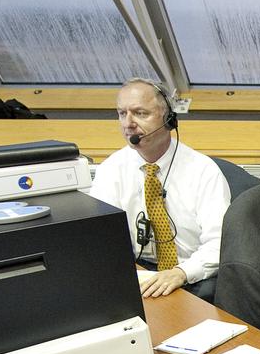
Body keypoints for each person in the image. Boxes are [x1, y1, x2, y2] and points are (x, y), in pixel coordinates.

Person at [90, 79, 229, 300]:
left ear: (168, 119)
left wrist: (181, 273)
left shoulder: (203, 171)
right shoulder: (111, 169)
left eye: (140, 113)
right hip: (140, 273)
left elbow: (221, 242)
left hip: (193, 274)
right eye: (121, 113)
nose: (128, 123)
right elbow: (99, 237)